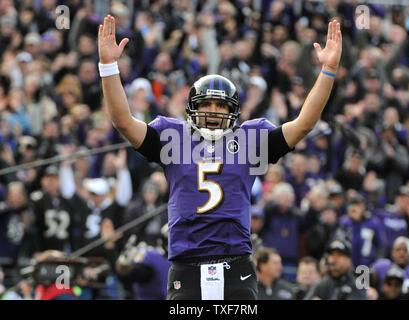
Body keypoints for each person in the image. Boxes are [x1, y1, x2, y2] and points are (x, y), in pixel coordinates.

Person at [98, 15, 342, 300]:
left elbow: (304, 124)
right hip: (185, 263)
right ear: (192, 108)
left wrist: (327, 69)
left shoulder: (250, 139)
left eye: (220, 105)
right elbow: (122, 121)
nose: (213, 111)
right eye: (206, 103)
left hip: (235, 261)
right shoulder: (173, 136)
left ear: (233, 111)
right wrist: (109, 66)